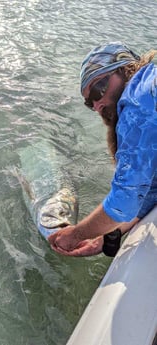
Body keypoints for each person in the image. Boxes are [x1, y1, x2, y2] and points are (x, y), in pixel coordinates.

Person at [48, 42, 157, 257]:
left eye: (98, 90)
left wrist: (75, 235)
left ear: (125, 70)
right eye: (89, 103)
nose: (97, 106)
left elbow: (125, 199)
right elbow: (150, 190)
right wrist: (105, 236)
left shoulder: (139, 101)